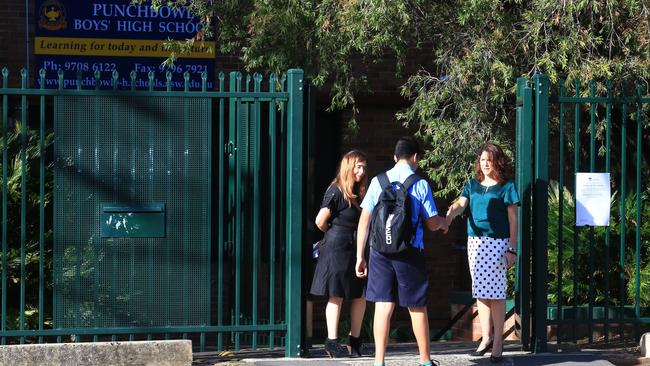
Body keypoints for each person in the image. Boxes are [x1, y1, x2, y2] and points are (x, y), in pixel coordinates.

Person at [355, 136, 448, 366]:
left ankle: (379, 361)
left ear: (395, 157)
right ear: (415, 157)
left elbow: (364, 221)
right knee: (416, 305)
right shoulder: (420, 183)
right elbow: (432, 223)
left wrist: (360, 256)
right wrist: (445, 222)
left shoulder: (378, 181)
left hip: (379, 251)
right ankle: (425, 361)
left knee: (383, 304)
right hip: (410, 251)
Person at [445, 143, 519, 363]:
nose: (485, 163)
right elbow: (460, 204)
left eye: (489, 159)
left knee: (496, 295)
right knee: (481, 293)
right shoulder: (472, 185)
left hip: (498, 244)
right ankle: (486, 337)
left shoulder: (507, 187)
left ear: (497, 161)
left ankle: (498, 343)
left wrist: (512, 248)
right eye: (482, 159)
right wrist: (451, 213)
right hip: (475, 244)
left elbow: (514, 219)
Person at [310, 150, 371, 358]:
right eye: (358, 166)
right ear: (348, 166)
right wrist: (333, 234)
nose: (362, 171)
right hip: (337, 247)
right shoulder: (336, 190)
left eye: (364, 167)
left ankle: (355, 340)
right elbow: (320, 220)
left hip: (355, 248)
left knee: (360, 294)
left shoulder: (357, 191)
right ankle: (332, 342)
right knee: (336, 294)